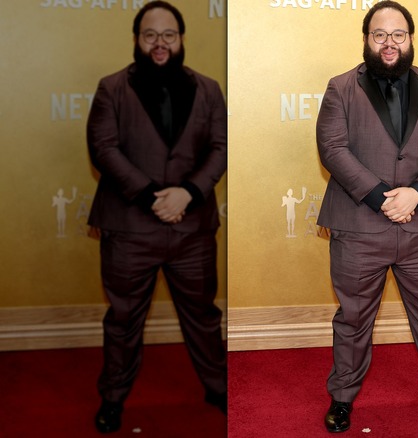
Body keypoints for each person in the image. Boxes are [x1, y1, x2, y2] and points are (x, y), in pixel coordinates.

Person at [315, 1, 418, 433]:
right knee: (352, 318)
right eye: (380, 35)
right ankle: (343, 398)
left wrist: (417, 193)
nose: (389, 43)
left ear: (410, 38)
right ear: (367, 39)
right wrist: (382, 198)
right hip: (358, 227)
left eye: (398, 35)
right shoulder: (340, 88)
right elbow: (333, 149)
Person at [86, 1, 227, 433]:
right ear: (137, 40)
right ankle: (112, 398)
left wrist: (186, 192)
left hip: (192, 229)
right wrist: (153, 196)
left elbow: (220, 148)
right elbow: (103, 149)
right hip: (129, 229)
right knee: (124, 319)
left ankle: (219, 388)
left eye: (169, 35)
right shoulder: (111, 88)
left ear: (182, 39)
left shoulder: (208, 88)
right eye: (150, 35)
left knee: (203, 316)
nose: (160, 44)